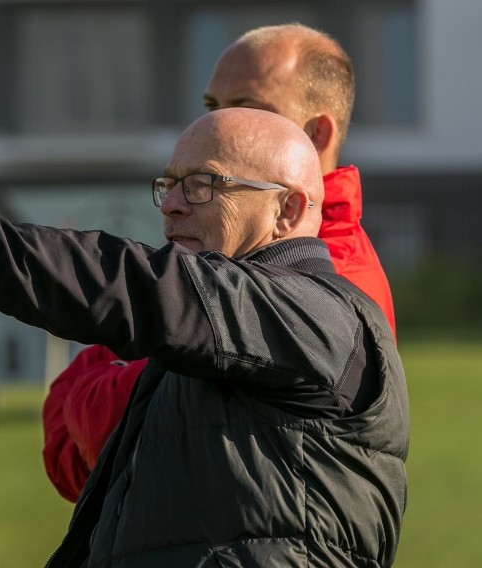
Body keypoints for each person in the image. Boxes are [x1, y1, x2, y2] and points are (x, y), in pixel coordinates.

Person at [0, 108, 409, 566]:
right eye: (169, 184)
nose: (172, 204)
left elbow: (129, 284)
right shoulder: (213, 342)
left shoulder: (319, 314)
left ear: (289, 209)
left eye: (203, 184)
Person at [42, 23, 398, 503]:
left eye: (246, 107)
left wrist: (85, 385)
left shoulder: (334, 280)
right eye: (212, 106)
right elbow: (75, 460)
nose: (219, 124)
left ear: (316, 135)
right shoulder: (228, 236)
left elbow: (119, 436)